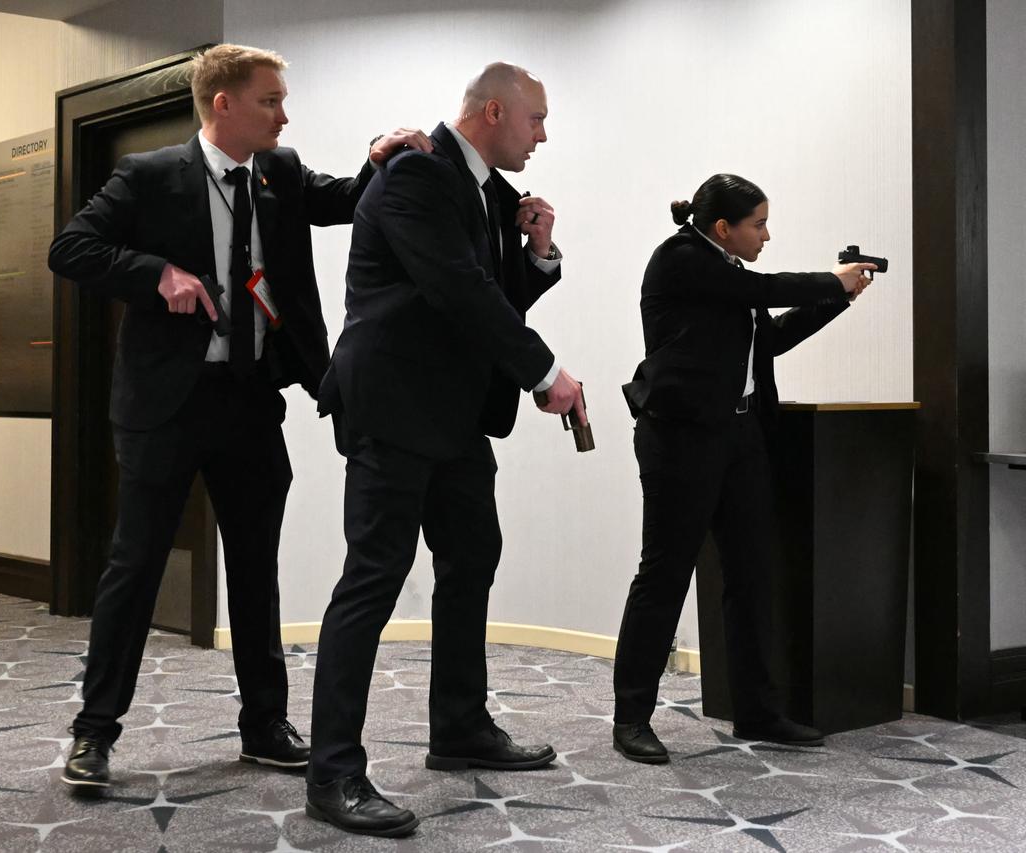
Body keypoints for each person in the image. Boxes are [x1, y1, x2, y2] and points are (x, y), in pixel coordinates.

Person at [46, 43, 429, 792]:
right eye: (270, 100)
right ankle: (95, 732)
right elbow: (70, 247)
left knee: (255, 567)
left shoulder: (278, 172)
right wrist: (157, 273)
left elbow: (344, 200)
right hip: (166, 405)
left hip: (251, 399)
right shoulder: (150, 176)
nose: (284, 114)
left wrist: (378, 160)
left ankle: (264, 724)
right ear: (223, 103)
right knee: (136, 564)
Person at [304, 62, 586, 838]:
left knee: (472, 557)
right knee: (373, 578)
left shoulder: (489, 192)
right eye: (536, 119)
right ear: (493, 110)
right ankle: (332, 773)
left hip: (454, 416)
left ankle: (459, 726)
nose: (543, 134)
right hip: (393, 407)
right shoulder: (414, 177)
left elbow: (490, 298)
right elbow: (457, 291)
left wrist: (538, 253)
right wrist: (546, 371)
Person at [611, 173, 875, 764]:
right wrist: (824, 281)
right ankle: (631, 717)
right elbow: (767, 288)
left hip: (740, 435)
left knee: (753, 574)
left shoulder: (730, 275)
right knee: (665, 575)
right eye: (758, 224)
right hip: (680, 438)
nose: (767, 234)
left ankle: (758, 711)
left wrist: (837, 296)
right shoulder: (682, 259)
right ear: (723, 228)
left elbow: (770, 339)